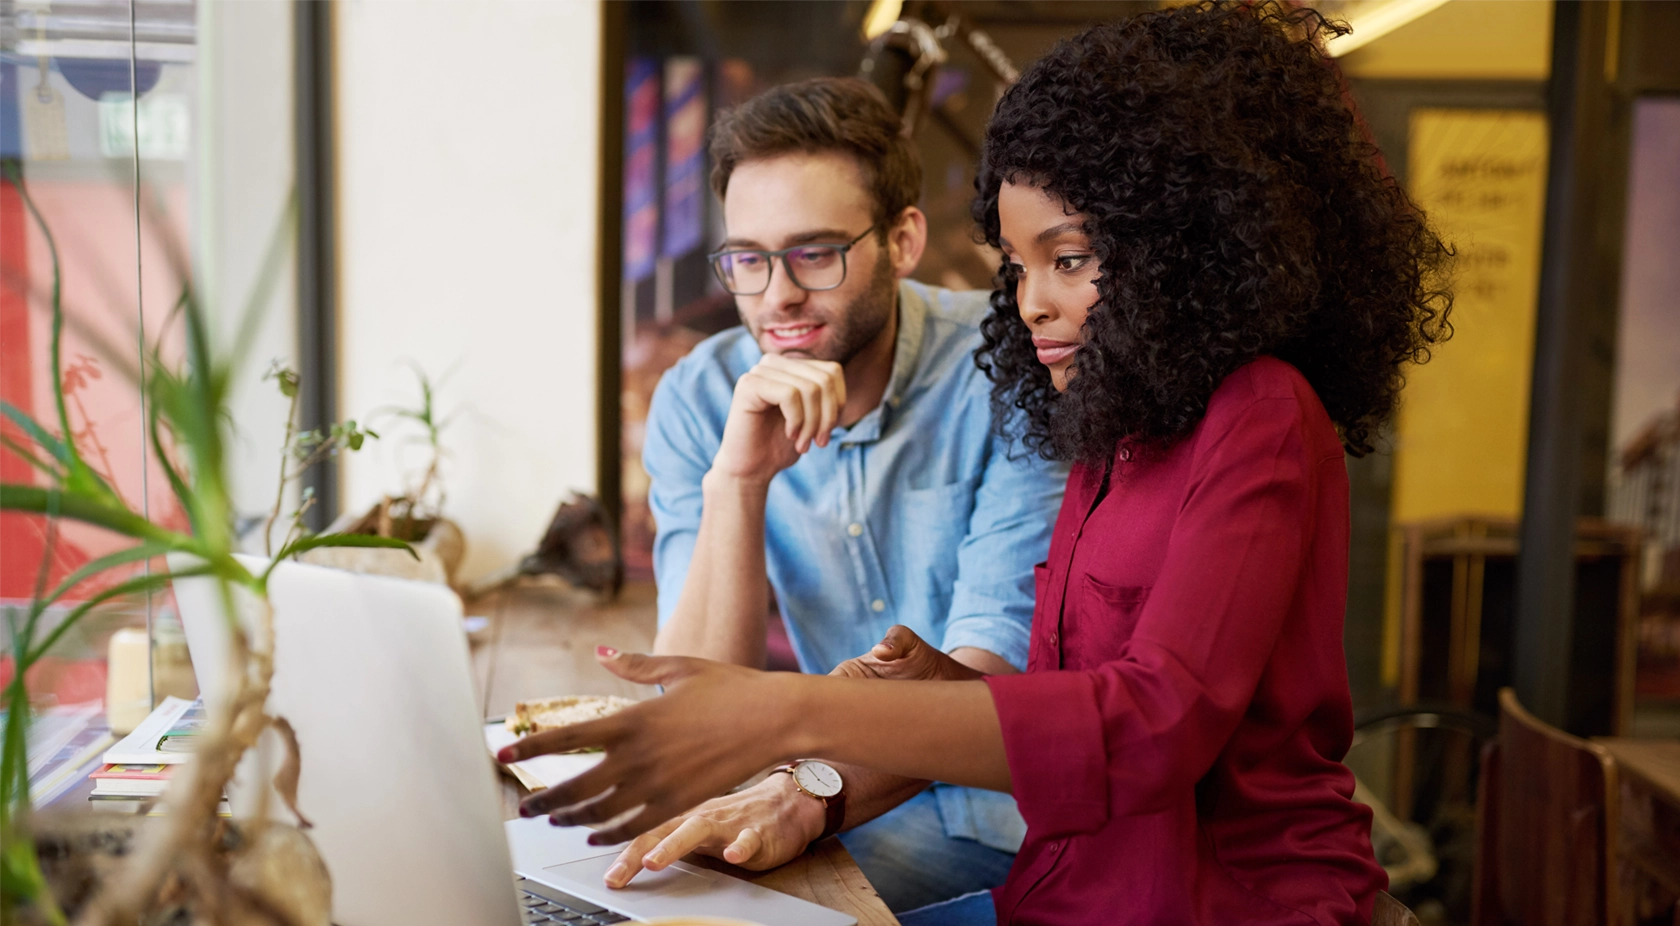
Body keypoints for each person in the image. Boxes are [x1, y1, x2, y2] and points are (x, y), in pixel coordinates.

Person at [503, 3, 1452, 923]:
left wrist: (795, 716)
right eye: (1018, 264)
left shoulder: (1263, 413)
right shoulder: (1110, 420)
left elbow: (1151, 726)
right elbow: (1034, 698)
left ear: (1183, 247)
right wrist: (821, 787)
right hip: (1069, 891)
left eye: (1071, 259)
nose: (1032, 302)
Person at [637, 76, 1067, 912]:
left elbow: (987, 677)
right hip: (824, 789)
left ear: (903, 240)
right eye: (748, 260)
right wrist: (738, 481)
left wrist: (801, 788)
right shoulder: (701, 398)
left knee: (699, 899)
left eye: (814, 253)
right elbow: (696, 704)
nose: (777, 295)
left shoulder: (1011, 374)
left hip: (1001, 811)